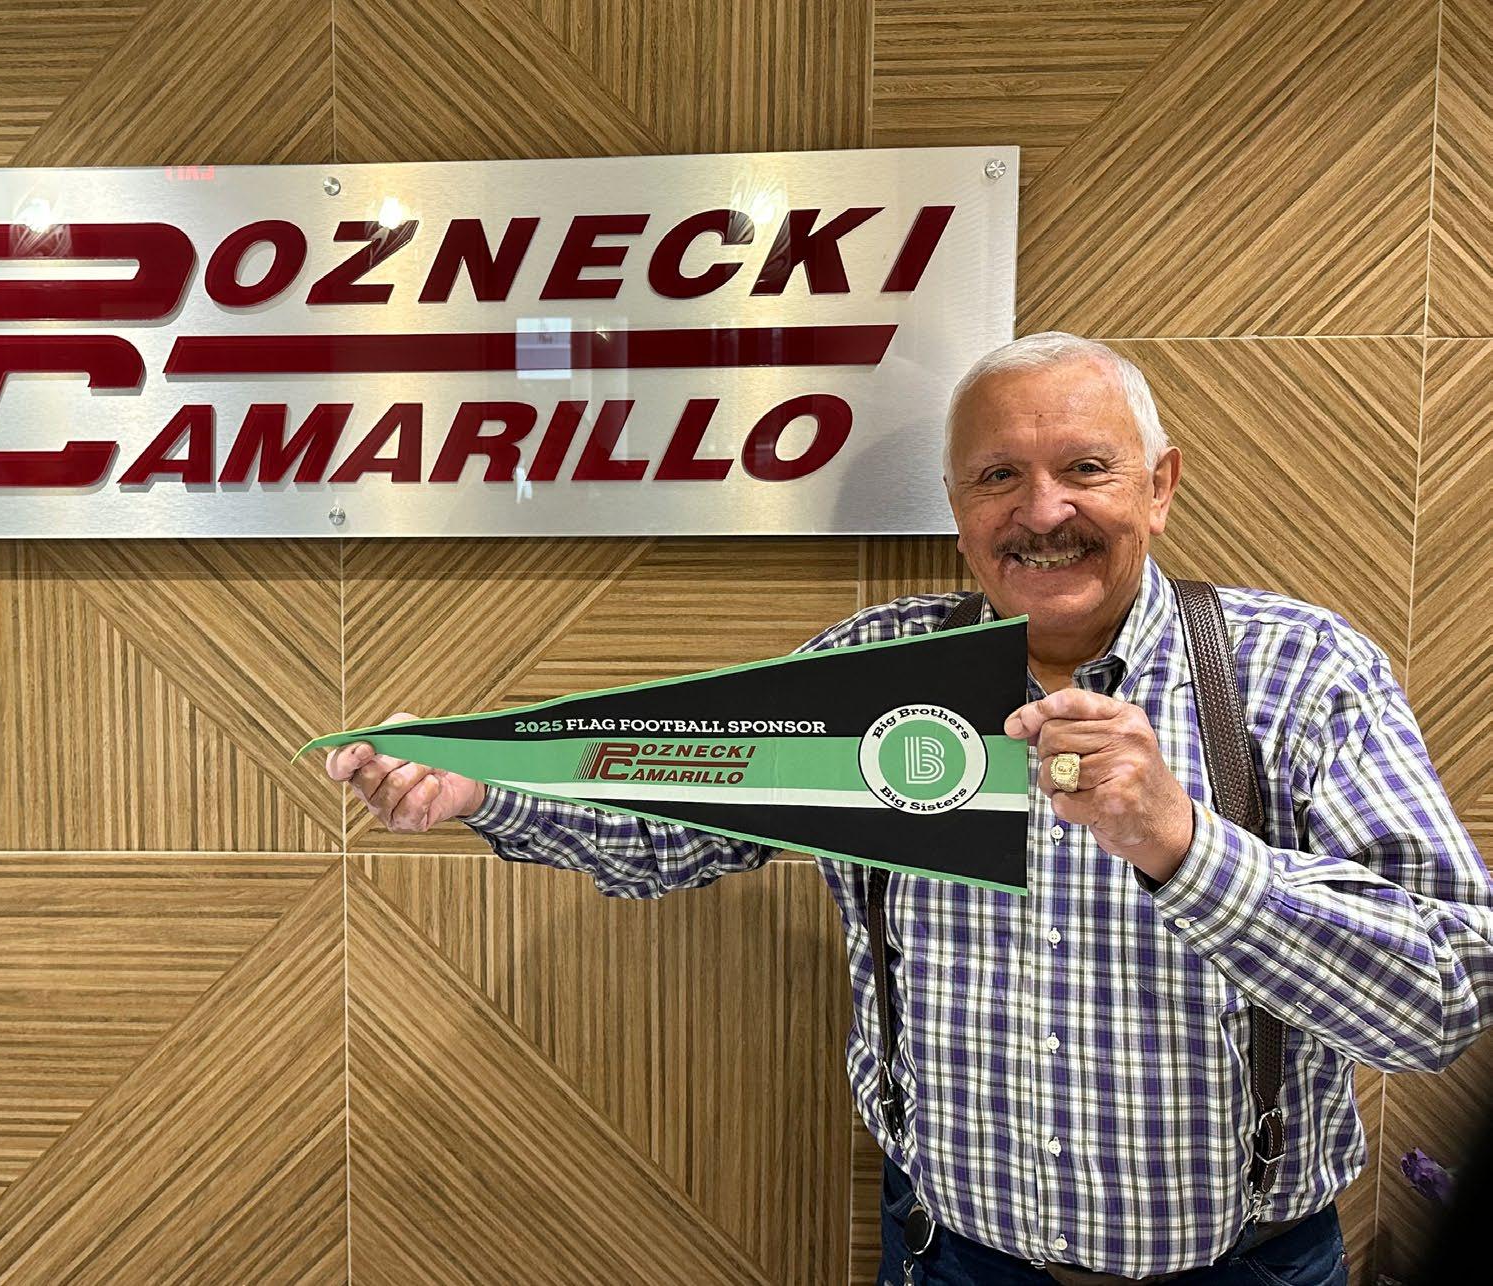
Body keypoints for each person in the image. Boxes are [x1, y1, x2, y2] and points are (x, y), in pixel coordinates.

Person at [328, 332, 1493, 1285]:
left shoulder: (1299, 674)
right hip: (950, 1258)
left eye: (1085, 467)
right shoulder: (872, 674)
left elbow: (1443, 991)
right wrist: (484, 786)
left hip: (1248, 1268)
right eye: (998, 477)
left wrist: (1185, 848)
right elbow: (675, 825)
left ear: (1160, 485)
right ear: (954, 505)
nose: (1042, 510)